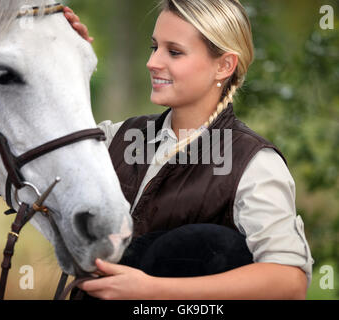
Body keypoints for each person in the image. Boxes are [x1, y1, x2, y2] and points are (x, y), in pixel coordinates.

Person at [63, 0, 313, 300]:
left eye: (174, 52)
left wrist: (151, 290)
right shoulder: (116, 137)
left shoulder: (254, 163)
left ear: (224, 65)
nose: (153, 62)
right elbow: (23, 140)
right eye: (154, 47)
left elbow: (289, 279)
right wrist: (58, 50)